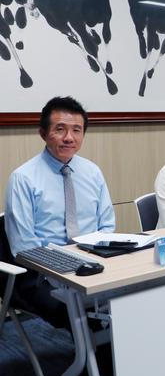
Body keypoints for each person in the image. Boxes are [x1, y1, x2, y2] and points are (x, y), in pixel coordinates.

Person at [5, 96, 114, 329]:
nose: (69, 137)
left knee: (128, 296)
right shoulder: (23, 178)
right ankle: (95, 352)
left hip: (91, 263)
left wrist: (92, 262)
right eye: (60, 129)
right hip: (40, 274)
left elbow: (106, 226)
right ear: (43, 133)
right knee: (82, 312)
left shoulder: (92, 172)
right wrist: (68, 269)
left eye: (77, 130)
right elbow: (24, 246)